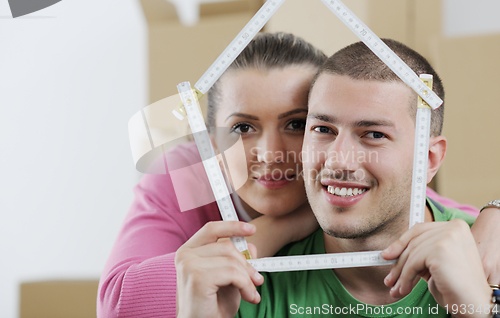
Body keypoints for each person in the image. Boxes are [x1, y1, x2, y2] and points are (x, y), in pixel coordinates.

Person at [98, 34, 500, 318]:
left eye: (295, 124)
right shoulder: (188, 174)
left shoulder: (349, 173)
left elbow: (409, 199)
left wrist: (493, 214)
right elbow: (119, 306)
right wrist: (271, 233)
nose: (270, 152)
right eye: (242, 128)